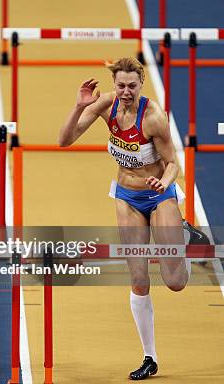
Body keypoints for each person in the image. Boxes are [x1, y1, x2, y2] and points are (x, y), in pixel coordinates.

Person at [59, 58, 192, 380]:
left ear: (141, 84)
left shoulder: (154, 117)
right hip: (126, 197)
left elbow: (174, 163)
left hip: (160, 195)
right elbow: (64, 140)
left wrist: (166, 181)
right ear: (114, 85)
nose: (126, 92)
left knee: (175, 282)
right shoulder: (106, 104)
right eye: (121, 86)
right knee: (139, 279)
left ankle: (184, 238)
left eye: (132, 86)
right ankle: (150, 357)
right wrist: (78, 107)